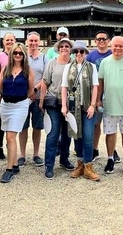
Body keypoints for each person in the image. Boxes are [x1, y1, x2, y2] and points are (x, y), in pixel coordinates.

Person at [0, 42, 34, 183]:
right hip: (6, 104)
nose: (17, 55)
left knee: (11, 136)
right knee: (8, 136)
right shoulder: (5, 69)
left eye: (20, 53)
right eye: (15, 53)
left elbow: (31, 90)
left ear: (24, 55)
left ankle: (9, 169)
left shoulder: (28, 71)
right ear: (11, 54)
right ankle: (15, 164)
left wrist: (23, 99)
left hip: (20, 105)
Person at [62, 41, 100, 182]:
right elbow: (64, 87)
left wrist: (92, 104)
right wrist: (64, 106)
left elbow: (95, 87)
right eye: (76, 51)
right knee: (76, 135)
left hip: (87, 106)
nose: (78, 54)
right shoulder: (68, 67)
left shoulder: (91, 67)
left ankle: (88, 166)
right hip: (73, 107)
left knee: (88, 136)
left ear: (85, 53)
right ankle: (79, 164)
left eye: (81, 51)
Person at [97, 35, 123, 176]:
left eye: (120, 46)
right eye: (115, 46)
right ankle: (110, 158)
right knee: (110, 133)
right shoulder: (105, 62)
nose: (118, 48)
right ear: (110, 46)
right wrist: (99, 99)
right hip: (109, 104)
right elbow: (100, 82)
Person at [39, 37, 75, 180]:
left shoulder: (73, 64)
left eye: (67, 46)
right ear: (58, 48)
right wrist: (41, 100)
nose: (64, 48)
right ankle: (49, 164)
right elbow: (45, 82)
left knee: (67, 134)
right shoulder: (52, 63)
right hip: (54, 102)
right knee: (53, 133)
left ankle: (64, 159)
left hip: (70, 103)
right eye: (62, 46)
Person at [18, 31, 47, 167]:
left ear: (39, 42)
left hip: (37, 96)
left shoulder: (43, 58)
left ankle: (36, 154)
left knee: (37, 126)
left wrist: (35, 89)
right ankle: (22, 154)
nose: (33, 43)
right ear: (26, 41)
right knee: (23, 127)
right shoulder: (22, 57)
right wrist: (27, 91)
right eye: (31, 41)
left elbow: (45, 78)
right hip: (23, 97)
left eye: (36, 41)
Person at [87, 30, 113, 162]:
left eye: (104, 39)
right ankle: (95, 148)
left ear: (108, 41)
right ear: (95, 41)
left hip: (111, 94)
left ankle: (112, 150)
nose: (101, 41)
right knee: (96, 124)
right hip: (95, 94)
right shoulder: (91, 56)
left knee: (112, 124)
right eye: (99, 39)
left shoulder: (114, 53)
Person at [0, 32, 17, 160]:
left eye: (11, 40)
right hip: (2, 93)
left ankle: (10, 144)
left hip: (16, 93)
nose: (9, 42)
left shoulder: (18, 55)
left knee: (13, 121)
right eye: (7, 40)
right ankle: (0, 146)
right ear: (3, 42)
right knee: (1, 120)